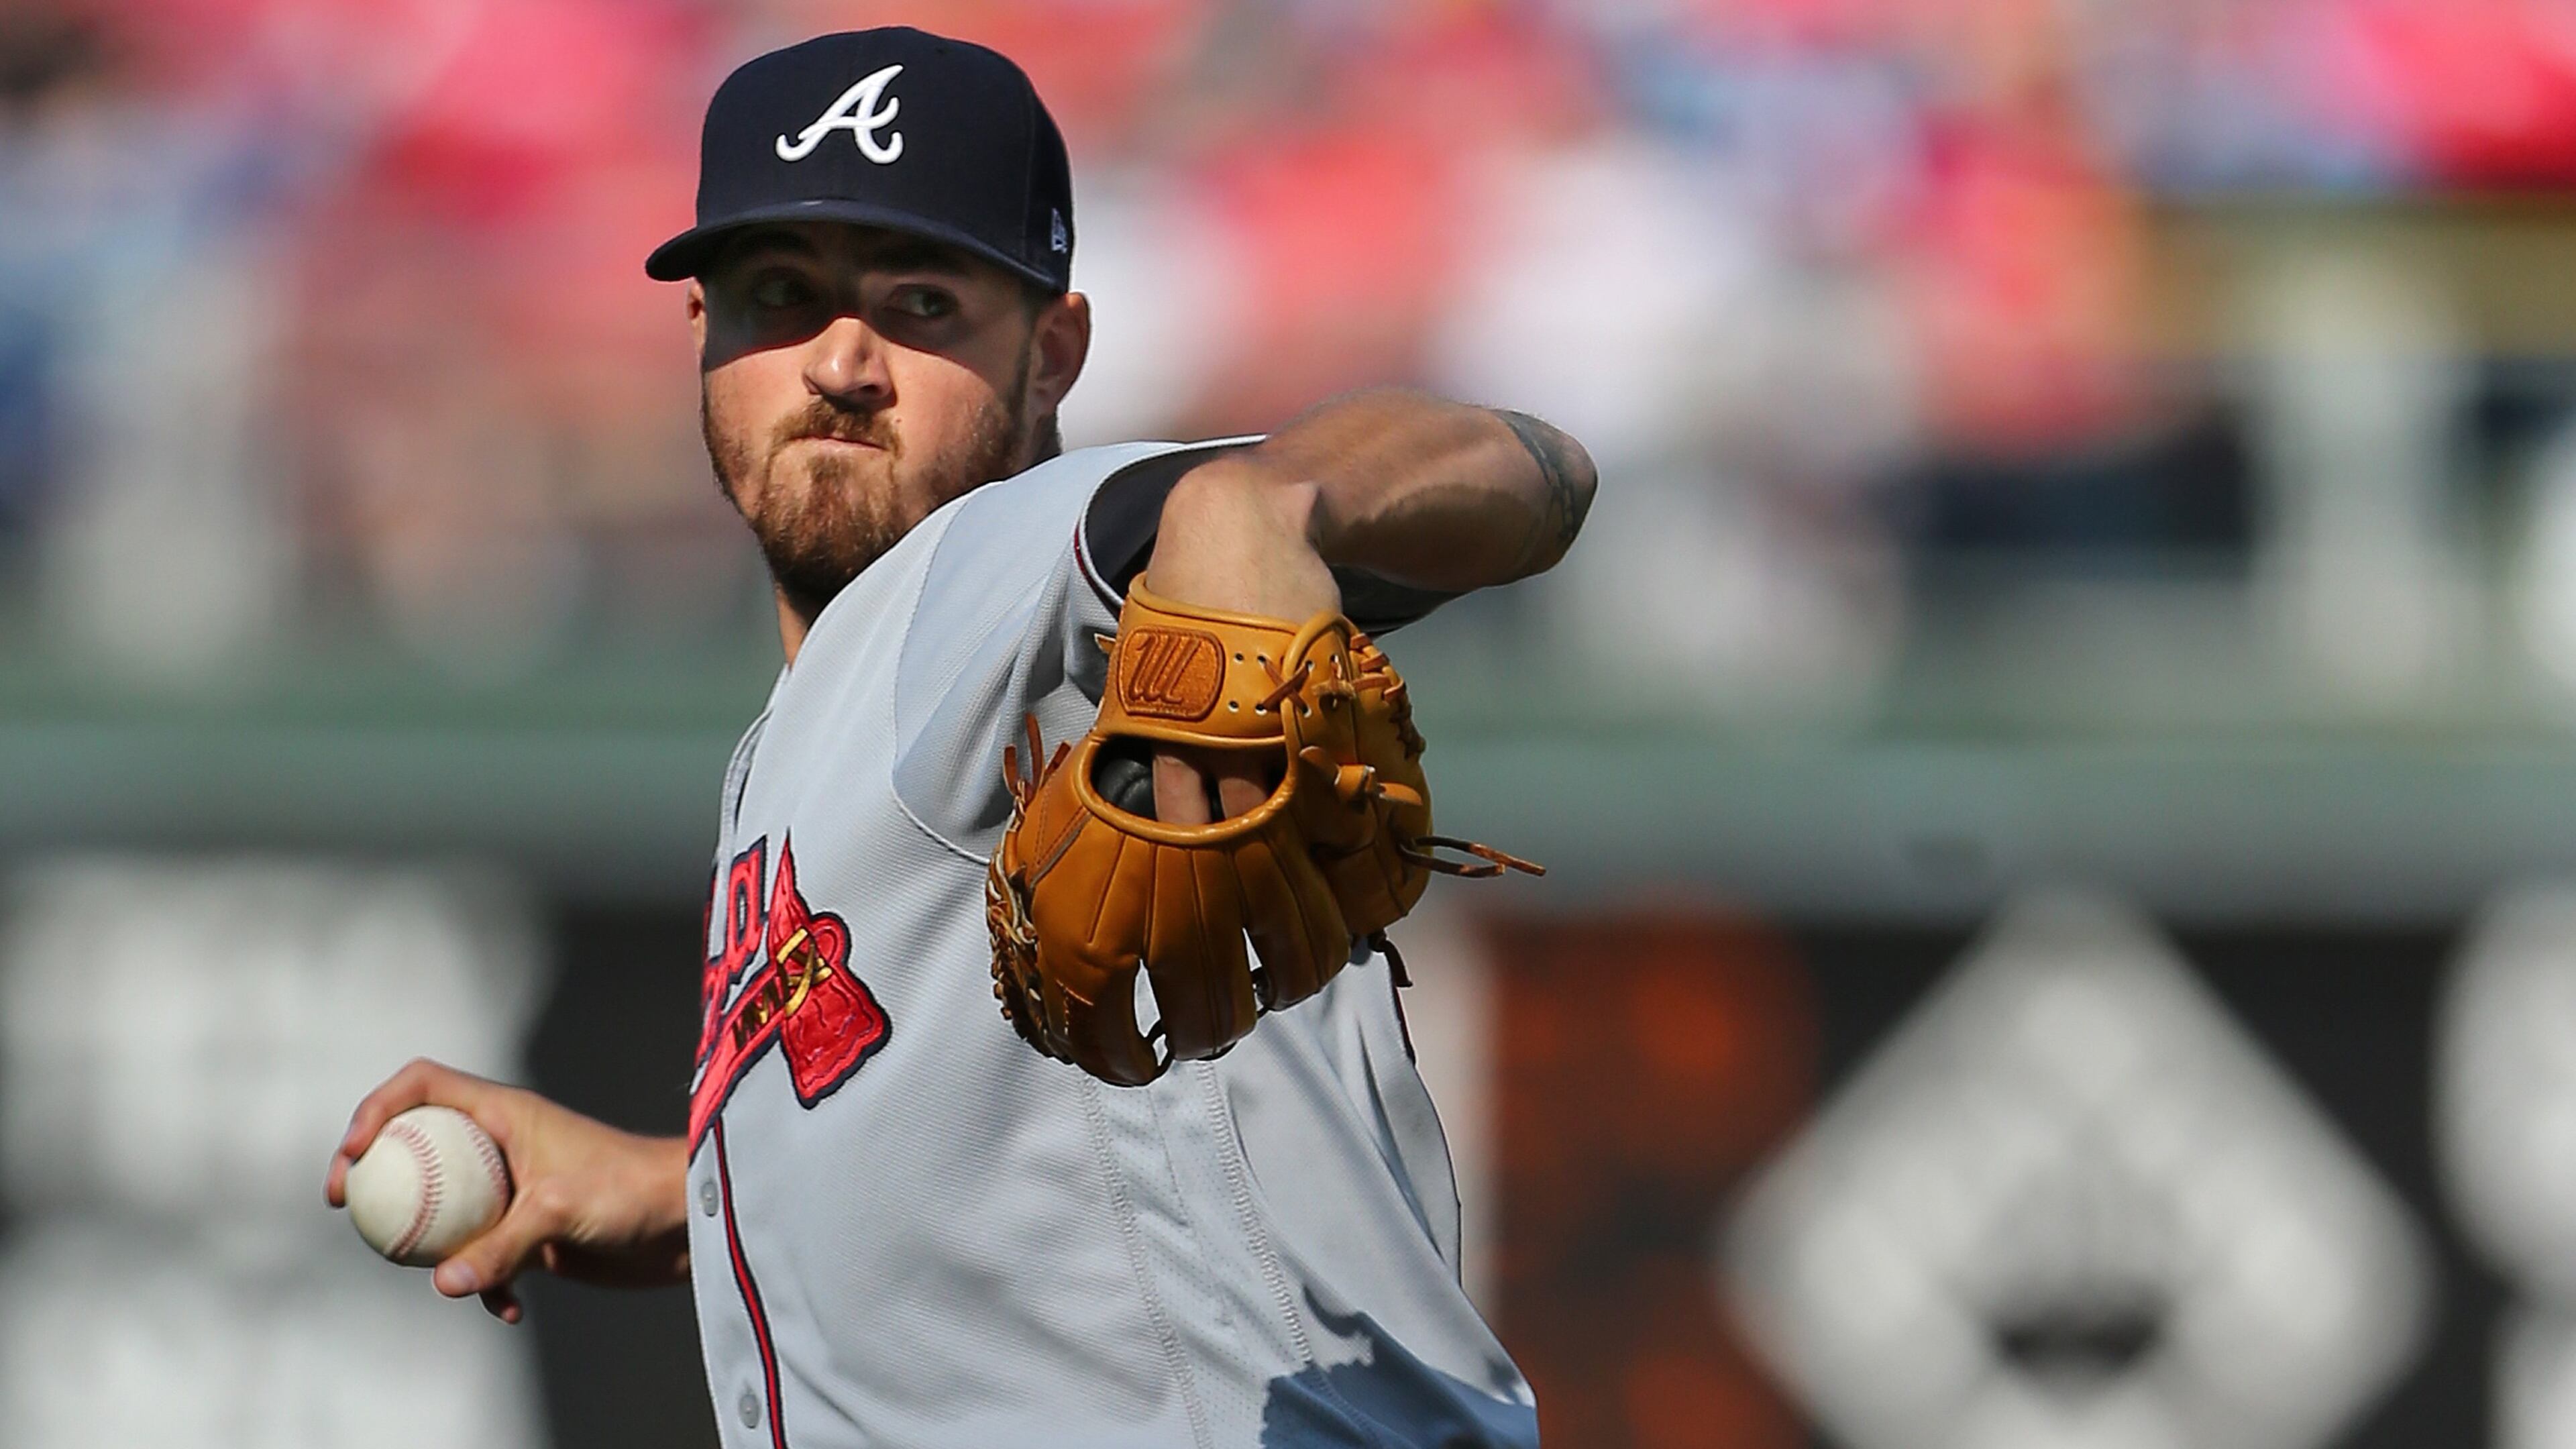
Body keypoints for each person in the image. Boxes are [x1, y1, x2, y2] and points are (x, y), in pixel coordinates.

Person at [325, 27, 1593, 1448]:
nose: (844, 360)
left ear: (1054, 354)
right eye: (781, 297)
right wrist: (684, 1186)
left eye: (921, 302)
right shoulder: (805, 732)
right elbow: (1002, 1194)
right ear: (707, 337)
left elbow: (1530, 469)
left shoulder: (1001, 568)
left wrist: (1259, 504)